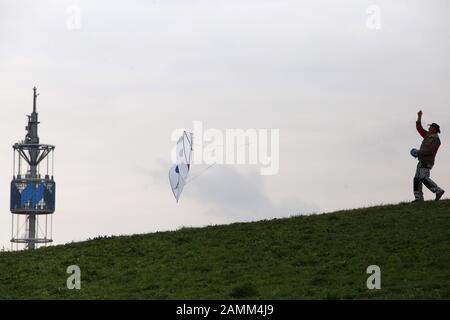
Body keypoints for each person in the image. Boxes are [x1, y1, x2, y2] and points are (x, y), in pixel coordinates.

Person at [411, 110, 445, 202]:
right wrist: (419, 117)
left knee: (423, 178)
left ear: (434, 129)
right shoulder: (427, 135)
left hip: (427, 162)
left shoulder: (436, 140)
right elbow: (419, 128)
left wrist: (419, 152)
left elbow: (430, 151)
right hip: (421, 161)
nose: (429, 128)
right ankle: (418, 198)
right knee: (417, 179)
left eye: (430, 127)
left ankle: (438, 191)